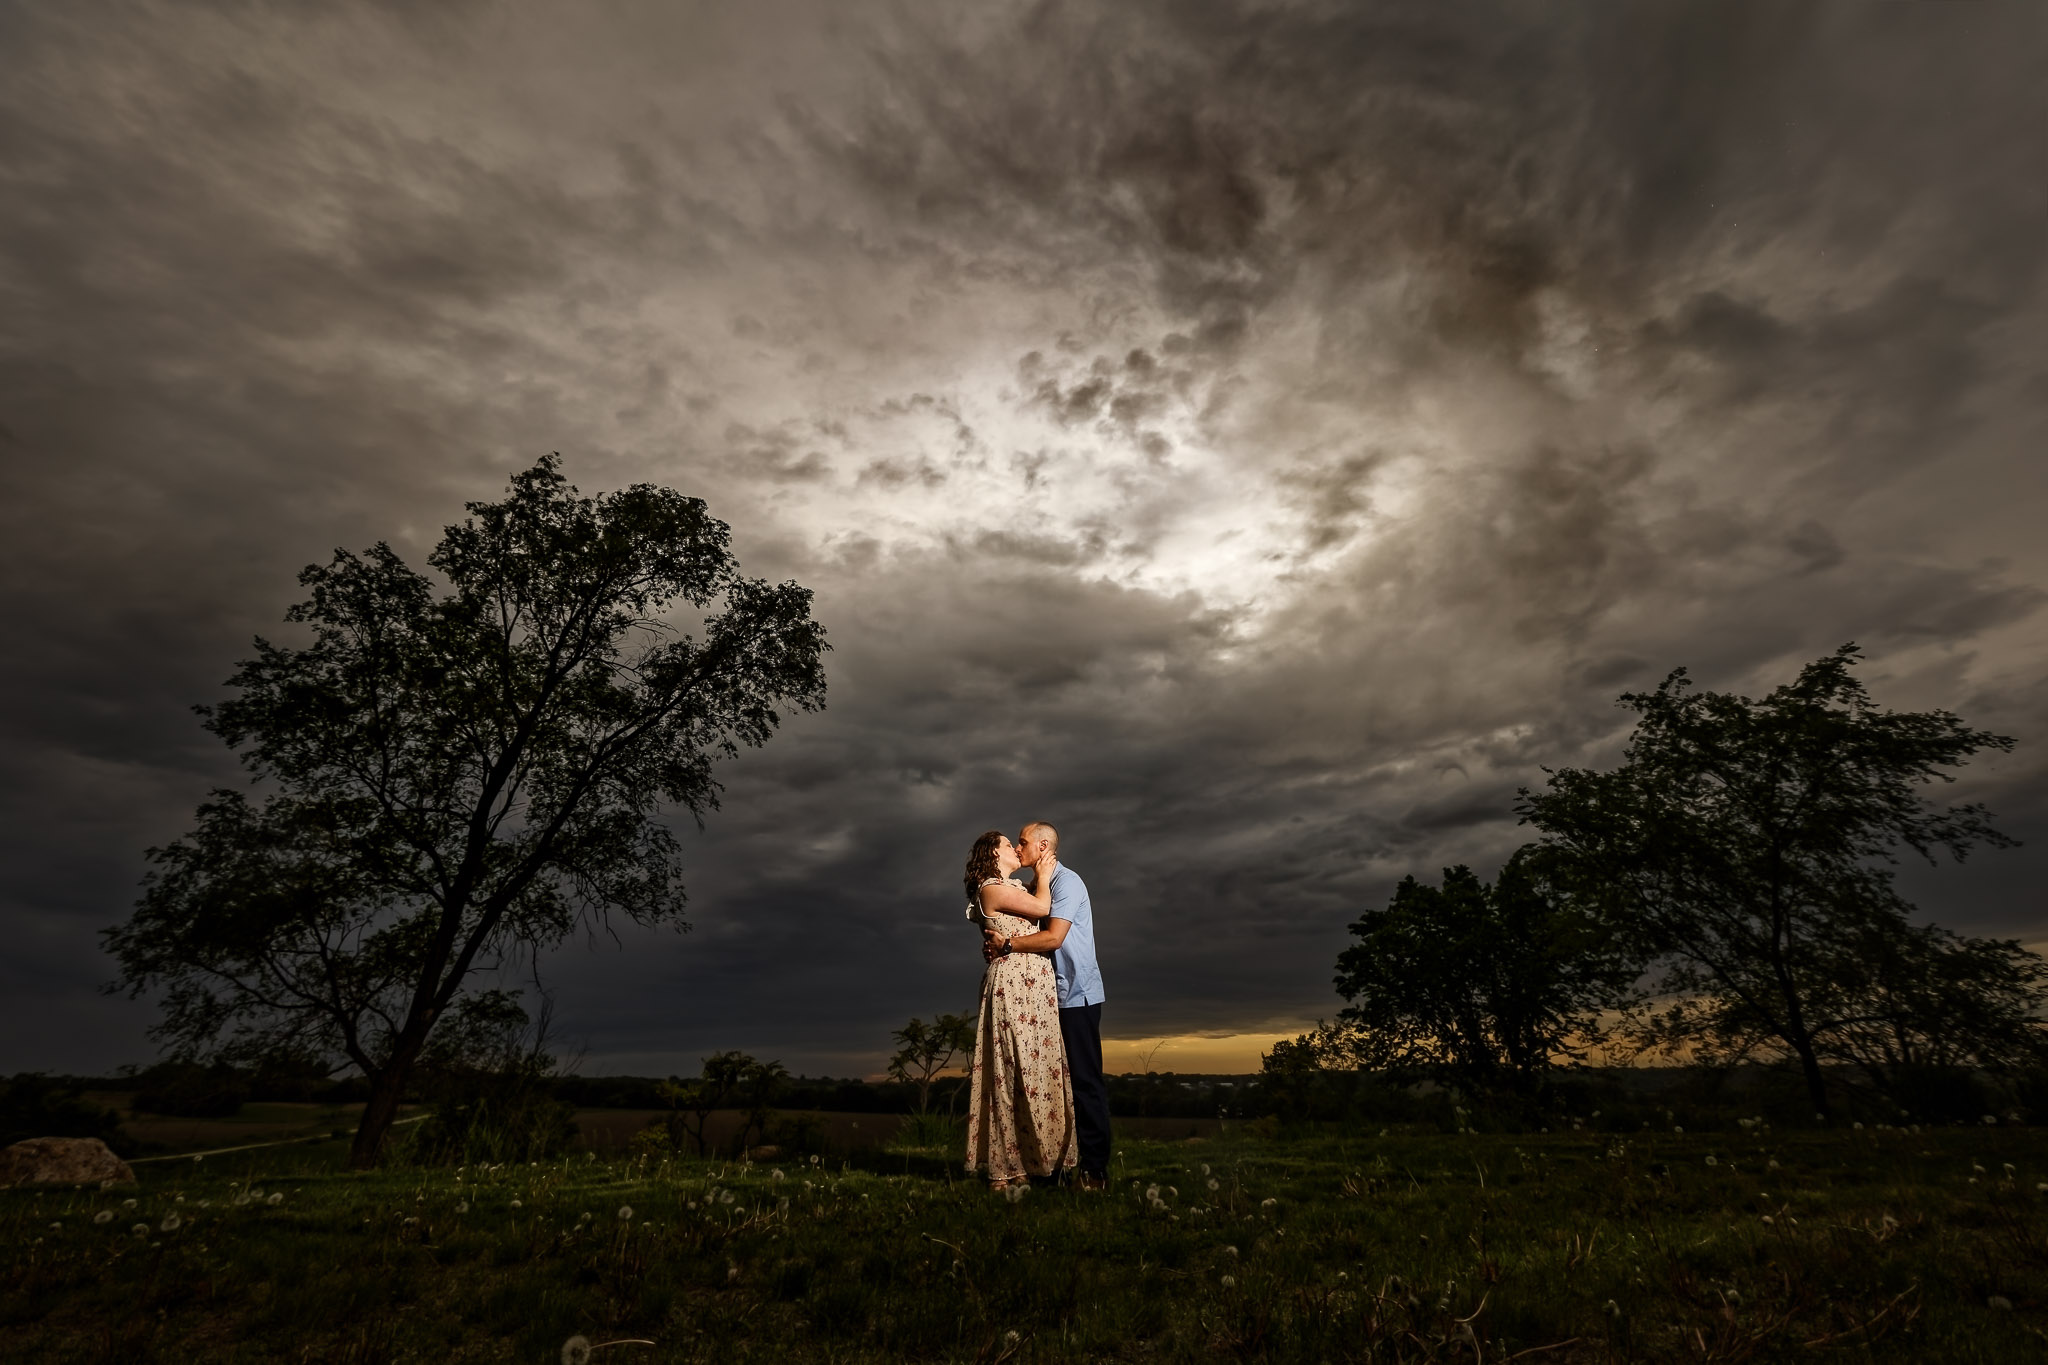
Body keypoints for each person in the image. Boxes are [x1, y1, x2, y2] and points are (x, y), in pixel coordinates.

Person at [983, 821, 1109, 1190]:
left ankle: (1095, 1171)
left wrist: (1008, 945)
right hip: (1044, 1000)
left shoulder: (1066, 882)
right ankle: (1052, 1167)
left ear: (1042, 846)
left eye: (1022, 842)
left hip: (1075, 996)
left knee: (1085, 1083)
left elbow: (1053, 938)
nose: (1018, 848)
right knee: (1053, 1085)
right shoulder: (1027, 886)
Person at [962, 829, 1077, 1190]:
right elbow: (1044, 909)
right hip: (1013, 986)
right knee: (1011, 1070)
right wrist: (1043, 876)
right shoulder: (991, 888)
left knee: (1040, 1070)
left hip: (1036, 986)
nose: (1015, 847)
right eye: (1007, 844)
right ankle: (1006, 1167)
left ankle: (1041, 1161)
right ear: (994, 855)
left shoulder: (1016, 889)